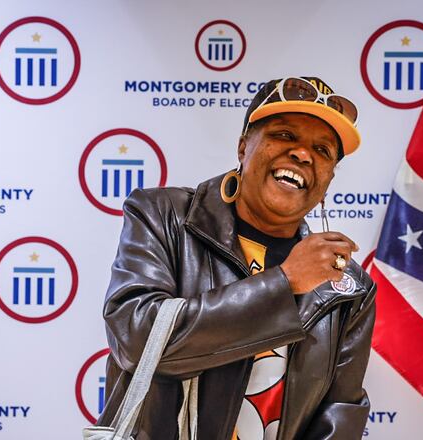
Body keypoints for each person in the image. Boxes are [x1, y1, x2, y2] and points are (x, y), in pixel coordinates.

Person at [98, 76, 376, 439]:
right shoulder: (163, 216)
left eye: (322, 150)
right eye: (285, 135)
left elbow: (340, 413)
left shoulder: (347, 286)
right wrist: (284, 284)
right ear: (243, 147)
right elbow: (136, 341)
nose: (303, 154)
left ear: (328, 179)